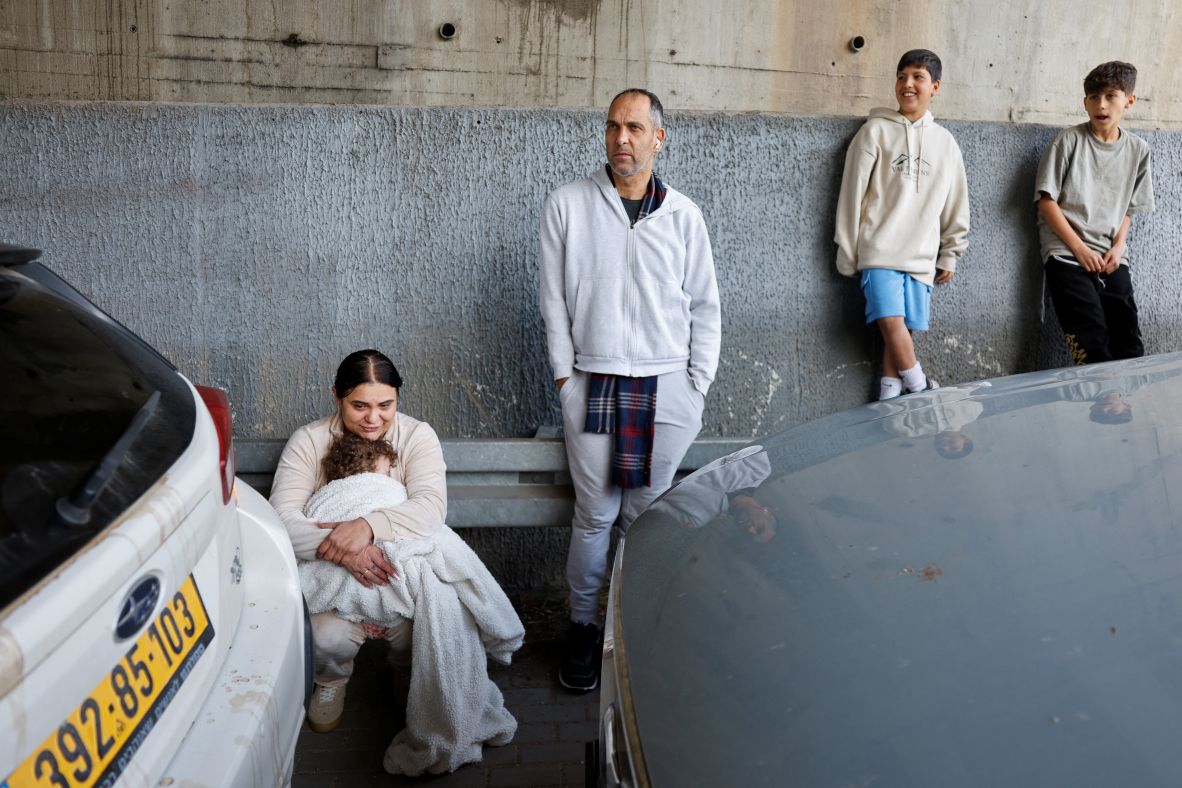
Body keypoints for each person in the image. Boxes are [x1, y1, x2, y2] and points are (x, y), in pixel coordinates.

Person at [538, 87, 722, 692]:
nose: (622, 138)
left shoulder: (684, 215)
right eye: (614, 126)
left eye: (636, 128)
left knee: (645, 516)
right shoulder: (568, 205)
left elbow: (705, 305)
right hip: (593, 380)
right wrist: (566, 380)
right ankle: (583, 627)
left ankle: (635, 627)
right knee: (595, 514)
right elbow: (553, 304)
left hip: (668, 386)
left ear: (658, 139)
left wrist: (695, 386)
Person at [270, 350, 522, 775]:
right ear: (336, 396)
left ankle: (409, 672)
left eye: (385, 405)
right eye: (359, 406)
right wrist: (348, 547)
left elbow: (429, 508)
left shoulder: (417, 436)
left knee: (427, 616)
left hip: (395, 570)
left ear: (397, 398)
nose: (374, 418)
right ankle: (330, 680)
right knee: (326, 636)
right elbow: (282, 519)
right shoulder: (309, 440)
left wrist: (368, 526)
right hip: (334, 570)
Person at [834, 48, 970, 401]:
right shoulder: (874, 132)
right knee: (890, 320)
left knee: (903, 332)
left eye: (918, 77)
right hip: (879, 250)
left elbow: (956, 204)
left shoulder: (946, 143)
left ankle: (890, 399)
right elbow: (851, 196)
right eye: (901, 76)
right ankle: (922, 388)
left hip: (922, 256)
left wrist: (950, 253)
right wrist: (847, 250)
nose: (907, 84)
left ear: (935, 86)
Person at [1034, 61, 1155, 365]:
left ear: (1129, 100)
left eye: (1111, 96)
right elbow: (1046, 202)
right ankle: (1098, 395)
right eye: (1093, 97)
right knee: (1091, 344)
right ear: (1085, 101)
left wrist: (1119, 246)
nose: (1101, 105)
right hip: (1066, 252)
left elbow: (1129, 208)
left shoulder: (1138, 150)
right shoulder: (1068, 141)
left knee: (1129, 344)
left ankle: (1126, 397)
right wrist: (1080, 249)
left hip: (1110, 257)